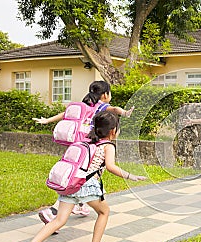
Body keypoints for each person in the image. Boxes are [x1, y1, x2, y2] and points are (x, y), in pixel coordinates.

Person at [14, 111, 147, 242]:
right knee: (104, 212)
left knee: (59, 220)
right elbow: (111, 167)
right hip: (86, 185)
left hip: (72, 182)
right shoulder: (108, 145)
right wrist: (131, 176)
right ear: (113, 131)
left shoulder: (87, 140)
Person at [33, 81, 134, 226]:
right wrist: (125, 113)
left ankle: (80, 205)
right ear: (105, 94)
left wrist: (47, 120)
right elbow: (115, 109)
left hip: (77, 145)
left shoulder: (85, 105)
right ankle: (53, 212)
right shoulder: (102, 106)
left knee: (81, 176)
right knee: (84, 178)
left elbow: (65, 114)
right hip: (91, 147)